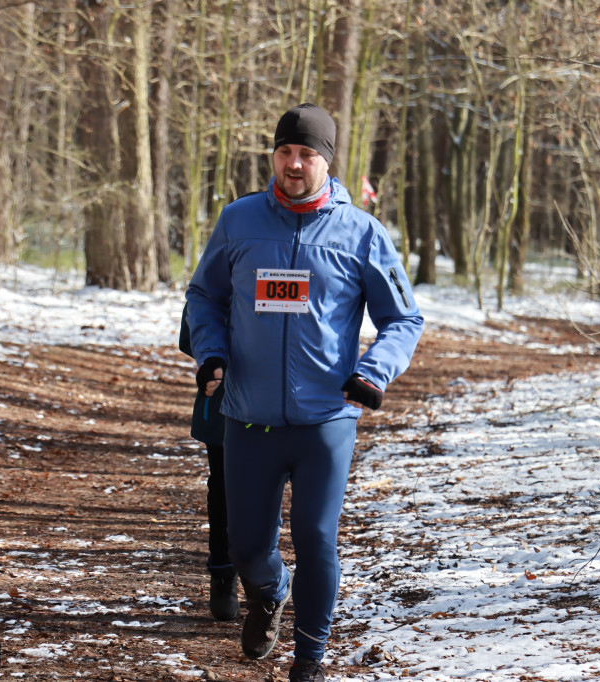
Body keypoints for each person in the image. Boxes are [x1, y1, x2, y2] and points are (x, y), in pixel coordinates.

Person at [184, 103, 423, 682]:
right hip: (248, 416)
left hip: (325, 420)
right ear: (274, 155)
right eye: (286, 151)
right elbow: (203, 296)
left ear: (327, 161)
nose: (295, 164)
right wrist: (211, 352)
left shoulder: (362, 233)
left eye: (307, 154)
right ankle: (270, 592)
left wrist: (373, 372)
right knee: (247, 550)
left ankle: (309, 661)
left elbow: (404, 319)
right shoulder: (238, 221)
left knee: (317, 538)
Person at [179, 303, 238, 622]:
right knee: (225, 488)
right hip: (223, 404)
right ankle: (223, 574)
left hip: (279, 402)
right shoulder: (220, 268)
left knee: (268, 489)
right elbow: (190, 335)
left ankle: (264, 581)